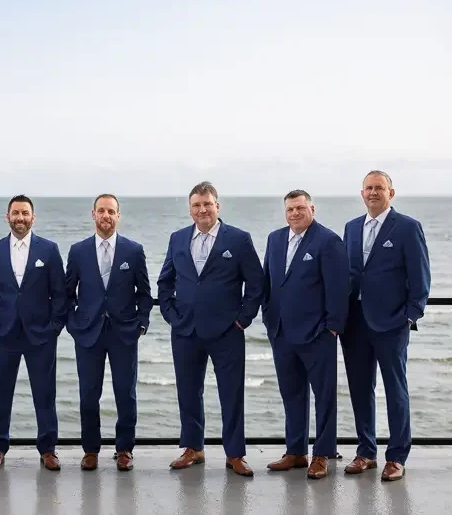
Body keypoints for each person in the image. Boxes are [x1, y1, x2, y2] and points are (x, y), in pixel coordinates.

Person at [157, 181, 264, 476]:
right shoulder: (178, 239)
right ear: (190, 209)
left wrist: (243, 318)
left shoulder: (239, 239)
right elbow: (165, 281)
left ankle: (235, 454)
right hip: (185, 330)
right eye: (196, 205)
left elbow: (256, 284)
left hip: (227, 331)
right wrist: (170, 313)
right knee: (188, 392)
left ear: (217, 206)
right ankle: (193, 448)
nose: (202, 209)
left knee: (231, 394)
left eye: (207, 204)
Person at [340, 170, 431, 482]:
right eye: (368, 188)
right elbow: (347, 274)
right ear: (361, 193)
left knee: (396, 390)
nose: (373, 192)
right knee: (360, 390)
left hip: (392, 323)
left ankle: (396, 456)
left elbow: (420, 279)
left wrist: (410, 315)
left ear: (391, 192)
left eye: (379, 187)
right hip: (355, 324)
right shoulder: (351, 228)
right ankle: (366, 451)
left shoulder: (407, 227)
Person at [261, 190, 349, 479]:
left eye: (300, 208)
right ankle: (295, 451)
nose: (295, 214)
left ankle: (321, 454)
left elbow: (338, 289)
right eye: (289, 209)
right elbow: (268, 282)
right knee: (292, 394)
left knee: (324, 397)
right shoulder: (275, 239)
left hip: (317, 334)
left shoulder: (328, 240)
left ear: (311, 208)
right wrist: (268, 318)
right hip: (281, 332)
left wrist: (332, 327)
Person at [64, 194, 153, 471]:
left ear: (118, 216)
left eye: (111, 211)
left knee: (125, 393)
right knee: (89, 394)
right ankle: (90, 450)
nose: (106, 215)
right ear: (93, 214)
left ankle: (124, 448)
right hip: (88, 334)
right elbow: (67, 293)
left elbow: (145, 294)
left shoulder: (133, 250)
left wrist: (141, 323)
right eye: (101, 210)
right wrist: (73, 325)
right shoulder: (78, 251)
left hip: (124, 333)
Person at [0, 195, 67, 471]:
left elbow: (60, 293)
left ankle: (48, 449)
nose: (20, 217)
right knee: (0, 392)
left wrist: (54, 327)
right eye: (15, 213)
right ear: (7, 217)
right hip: (3, 333)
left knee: (45, 393)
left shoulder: (49, 250)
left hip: (40, 335)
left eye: (25, 213)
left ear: (33, 217)